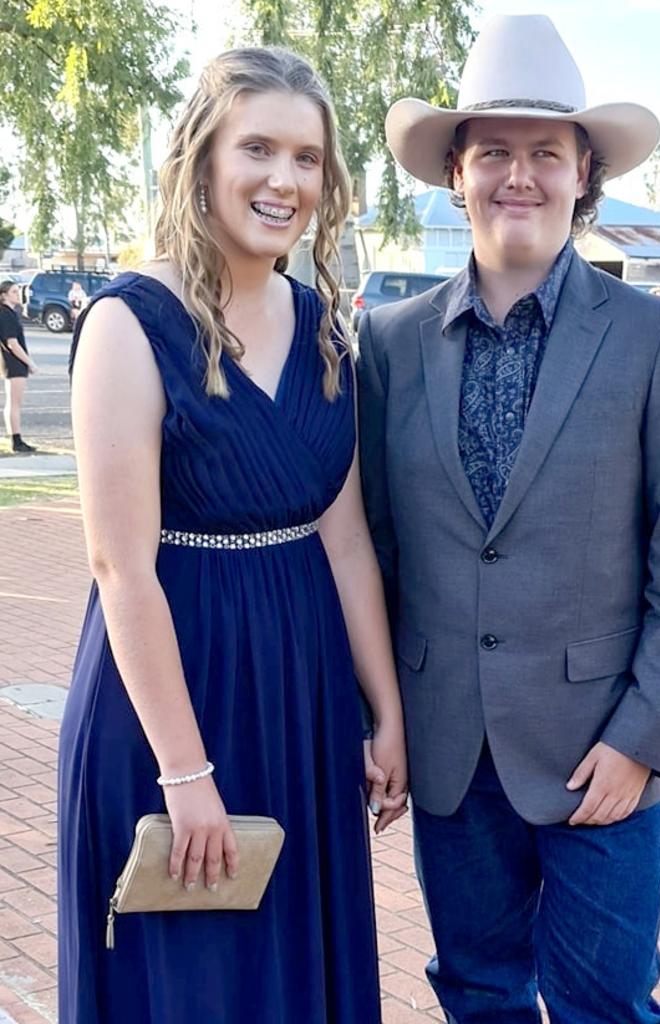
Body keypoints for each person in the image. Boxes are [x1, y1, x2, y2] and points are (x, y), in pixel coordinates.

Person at [358, 14, 660, 1024]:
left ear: (583, 176)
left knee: (605, 1002)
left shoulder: (656, 337)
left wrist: (644, 740)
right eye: (495, 154)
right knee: (478, 994)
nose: (520, 176)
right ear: (456, 175)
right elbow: (377, 555)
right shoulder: (387, 344)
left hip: (599, 752)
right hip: (448, 752)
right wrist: (378, 718)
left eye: (546, 155)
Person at [58, 47, 407, 1024]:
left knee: (296, 973)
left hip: (303, 706)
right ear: (203, 157)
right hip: (172, 708)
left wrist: (386, 713)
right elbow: (120, 569)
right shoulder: (130, 325)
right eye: (259, 147)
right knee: (191, 986)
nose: (285, 179)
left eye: (307, 157)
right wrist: (186, 772)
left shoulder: (326, 328)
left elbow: (345, 543)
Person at [0, 279, 38, 452]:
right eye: (13, 292)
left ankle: (16, 438)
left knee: (14, 402)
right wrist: (29, 363)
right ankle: (16, 440)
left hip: (13, 362)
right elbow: (12, 343)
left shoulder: (9, 313)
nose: (17, 294)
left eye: (17, 291)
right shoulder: (6, 314)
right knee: (14, 402)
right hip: (14, 363)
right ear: (4, 295)